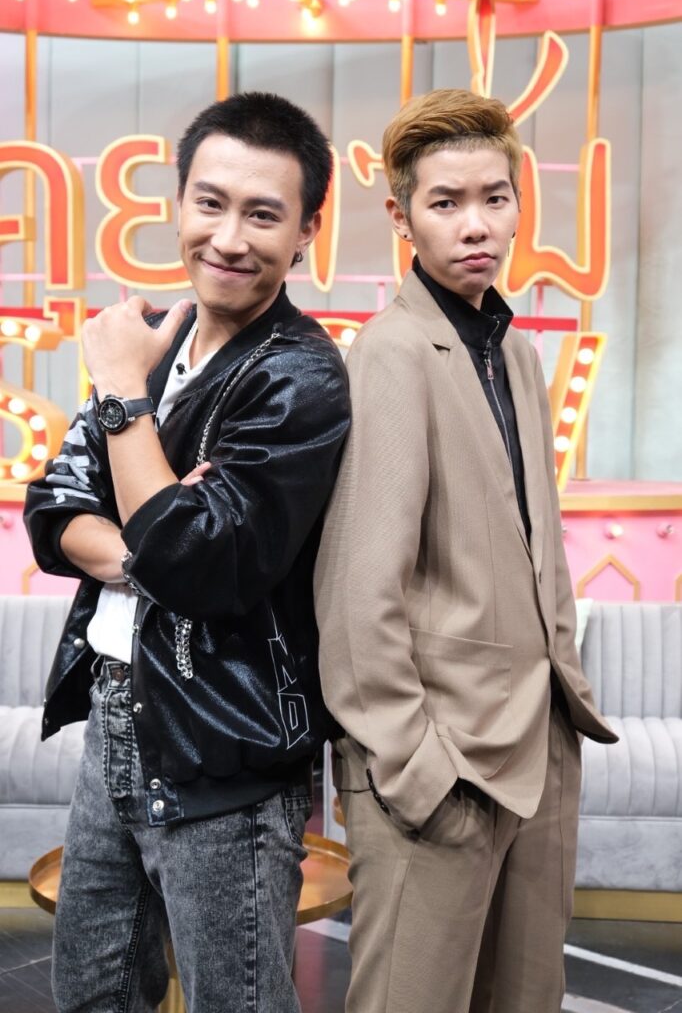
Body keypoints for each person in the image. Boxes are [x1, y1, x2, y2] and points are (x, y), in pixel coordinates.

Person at [24, 91, 350, 1013]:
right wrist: (150, 536)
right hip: (117, 718)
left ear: (307, 230)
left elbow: (201, 566)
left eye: (263, 215)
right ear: (178, 204)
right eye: (210, 203)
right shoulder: (158, 346)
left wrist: (121, 398)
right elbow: (53, 510)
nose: (229, 238)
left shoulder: (300, 377)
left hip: (225, 749)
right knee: (93, 993)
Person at [314, 88, 617, 1013]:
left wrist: (565, 709)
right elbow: (358, 591)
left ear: (521, 204)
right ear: (402, 217)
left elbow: (537, 545)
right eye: (446, 202)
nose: (476, 224)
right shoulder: (390, 352)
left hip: (539, 746)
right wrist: (416, 769)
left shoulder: (514, 351)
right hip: (440, 765)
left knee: (526, 999)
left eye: (495, 197)